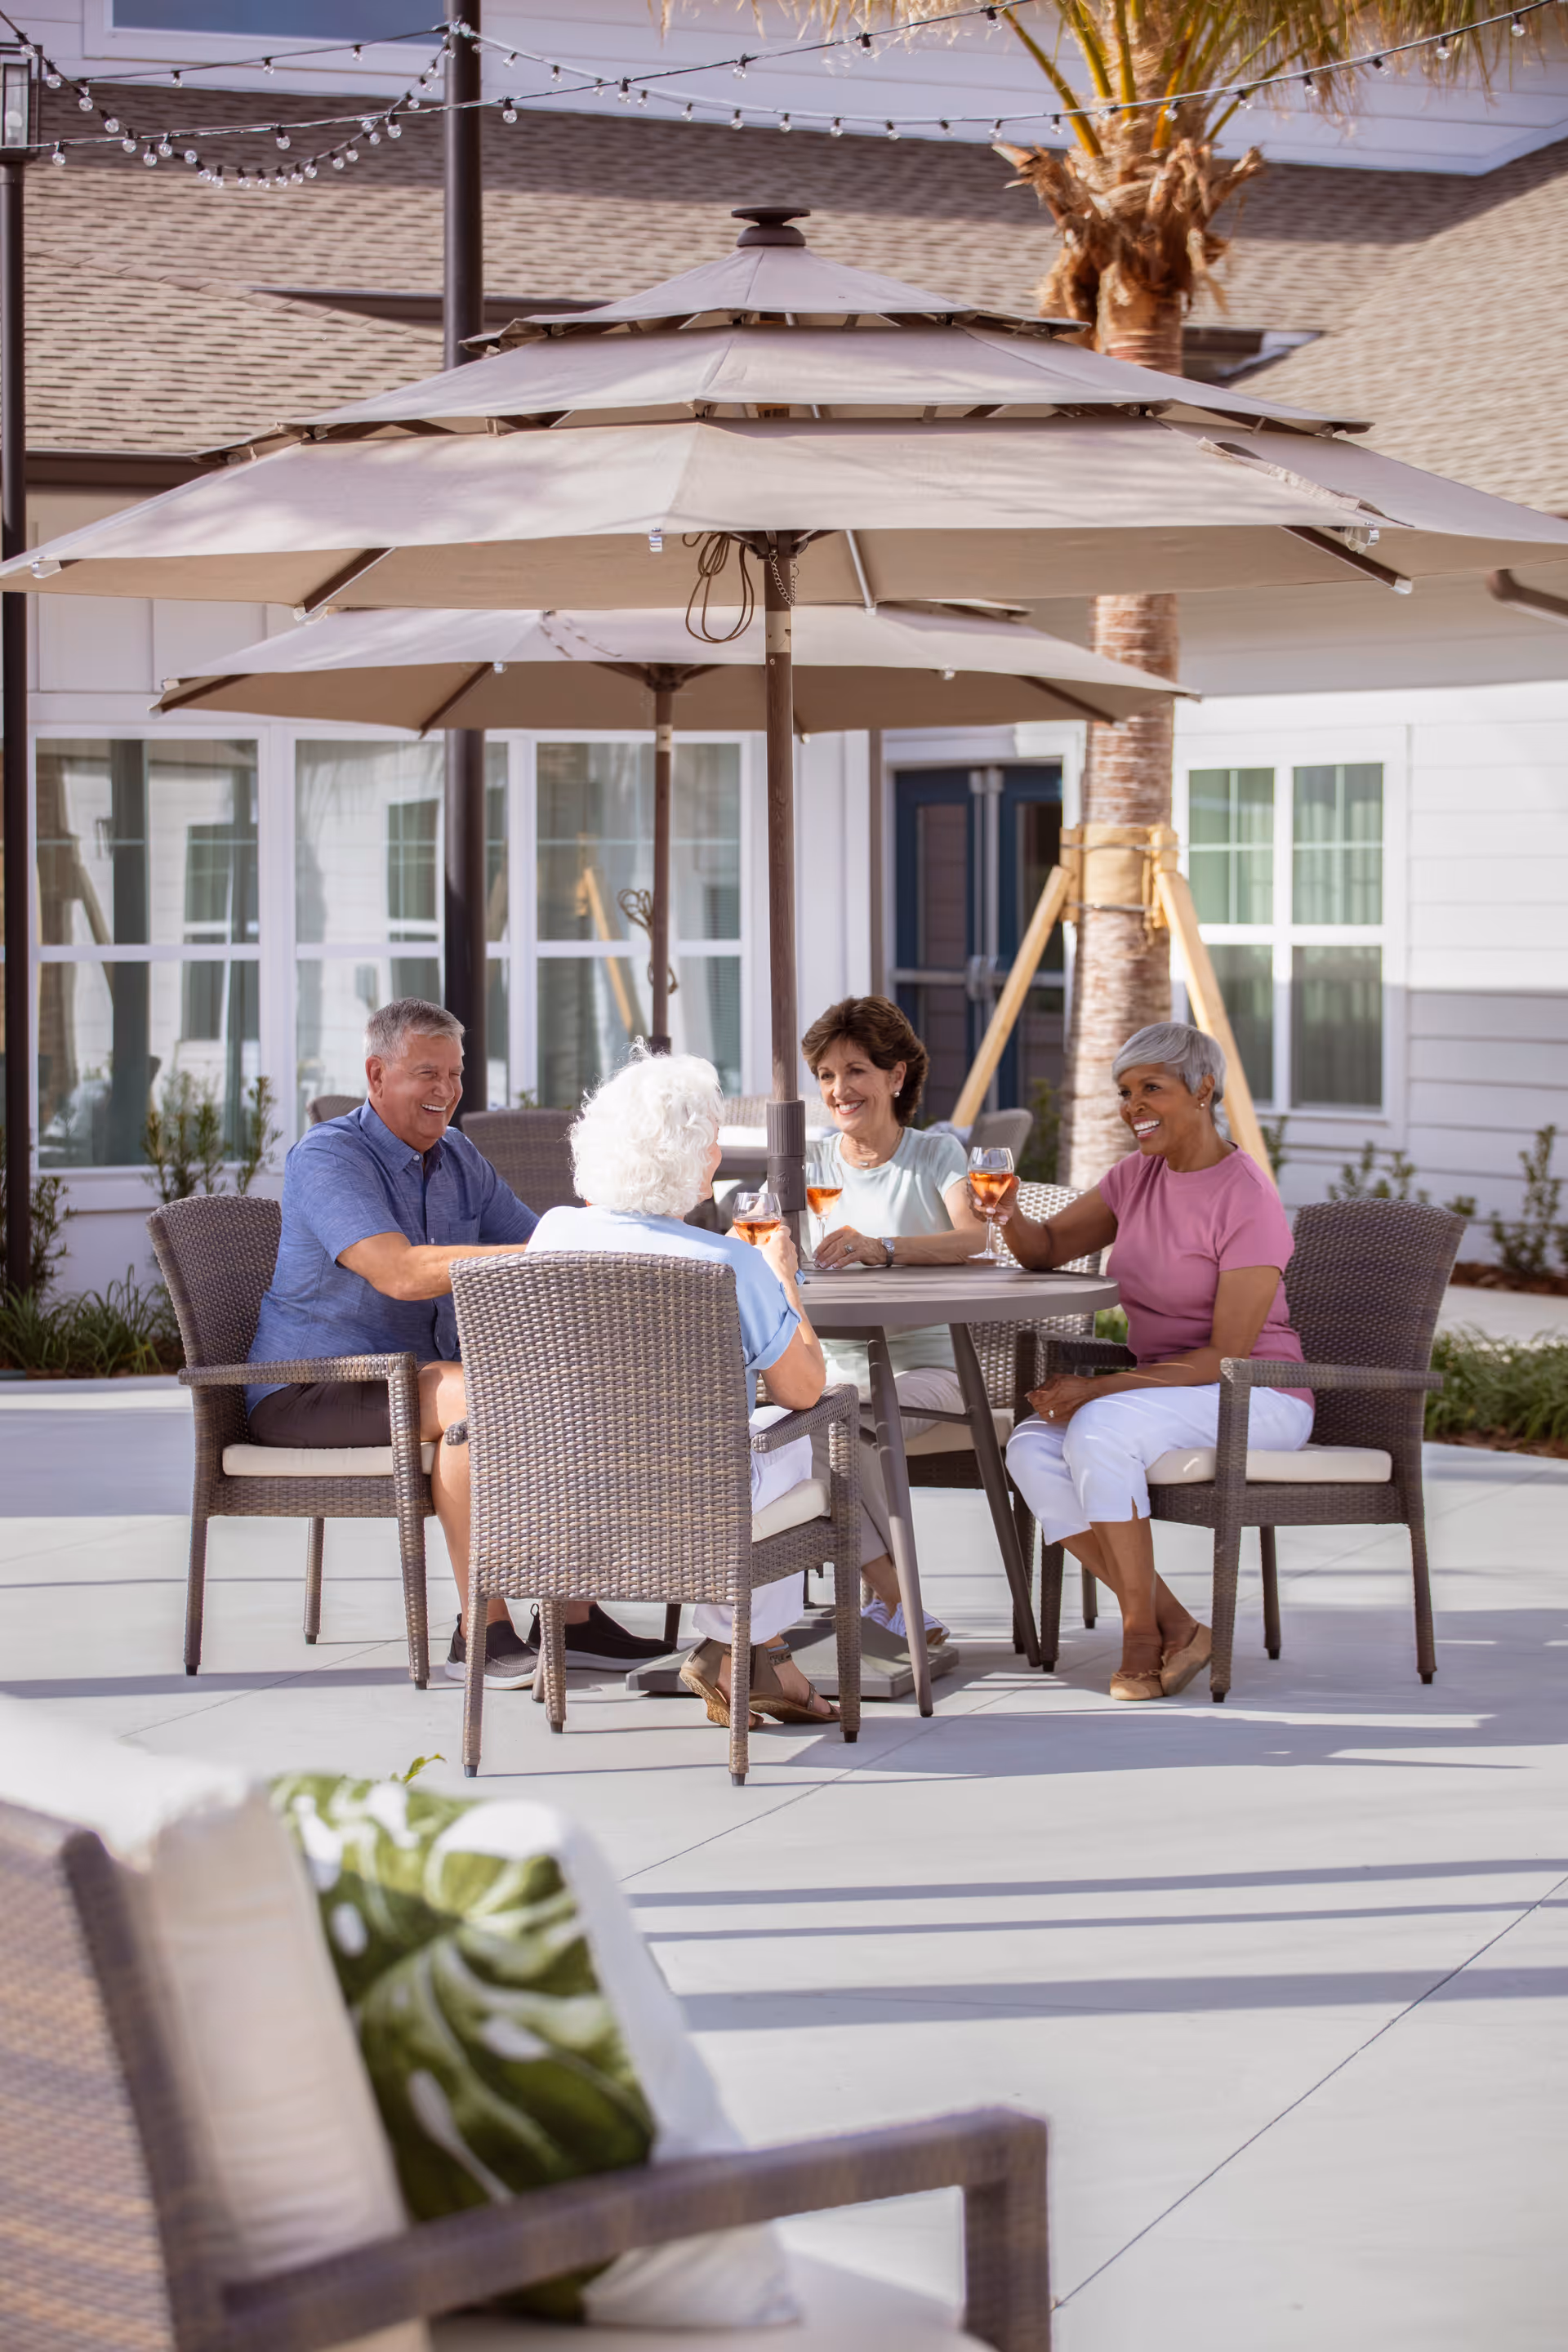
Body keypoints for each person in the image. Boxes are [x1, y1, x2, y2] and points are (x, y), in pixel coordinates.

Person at [246, 998, 666, 1690]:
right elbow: (400, 1271)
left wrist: (622, 1238)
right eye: (425, 1074)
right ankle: (482, 1627)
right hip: (309, 1388)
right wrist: (548, 1252)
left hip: (412, 1381)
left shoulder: (458, 1156)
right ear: (376, 1075)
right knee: (475, 1396)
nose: (445, 1091)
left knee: (566, 1387)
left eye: (455, 1074)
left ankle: (571, 1615)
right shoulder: (328, 1157)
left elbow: (539, 1243)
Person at [1001, 1021, 1314, 1702]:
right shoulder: (1135, 1178)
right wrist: (1007, 1216)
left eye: (1152, 1088)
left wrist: (1101, 1387)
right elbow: (1046, 1246)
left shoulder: (1247, 1199)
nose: (1133, 1106)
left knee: (1098, 1427)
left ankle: (1141, 1634)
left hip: (1258, 1392)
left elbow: (1227, 1354)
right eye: (1124, 1091)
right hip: (1162, 1394)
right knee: (1029, 1447)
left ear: (1204, 1089)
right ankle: (1178, 1623)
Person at [528, 1047, 840, 1731]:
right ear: (690, 1154)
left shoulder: (550, 1234)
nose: (720, 1153)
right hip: (690, 1500)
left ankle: (759, 1657)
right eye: (712, 1140)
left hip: (558, 1491)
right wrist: (781, 1275)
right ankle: (737, 1650)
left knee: (761, 1445)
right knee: (792, 1441)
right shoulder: (728, 1261)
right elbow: (804, 1388)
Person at [800, 995, 997, 1649]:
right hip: (829, 1370)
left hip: (929, 1370)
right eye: (826, 1076)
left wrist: (882, 1248)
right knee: (803, 1419)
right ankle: (896, 1596)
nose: (838, 1090)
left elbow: (974, 1239)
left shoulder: (935, 1154)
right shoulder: (815, 1165)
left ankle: (890, 1599)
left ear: (896, 1076)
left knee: (838, 1419)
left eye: (855, 1070)